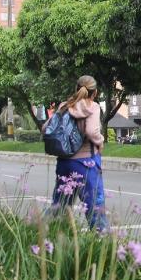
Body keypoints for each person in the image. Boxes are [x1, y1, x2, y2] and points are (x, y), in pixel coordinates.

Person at [48, 75, 108, 231]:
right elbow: (91, 131)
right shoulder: (92, 107)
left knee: (60, 204)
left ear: (76, 88)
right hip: (85, 162)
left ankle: (53, 237)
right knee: (95, 204)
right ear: (94, 93)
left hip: (64, 162)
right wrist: (100, 141)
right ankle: (103, 245)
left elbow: (46, 128)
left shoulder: (64, 106)